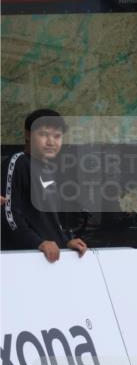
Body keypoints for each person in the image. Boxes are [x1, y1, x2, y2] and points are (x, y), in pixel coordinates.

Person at [1, 109, 88, 262]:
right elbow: (8, 214)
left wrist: (65, 241)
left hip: (50, 260)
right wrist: (37, 243)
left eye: (57, 136)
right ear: (28, 134)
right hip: (21, 261)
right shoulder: (17, 163)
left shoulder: (49, 171)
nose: (51, 142)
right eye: (43, 134)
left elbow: (48, 221)